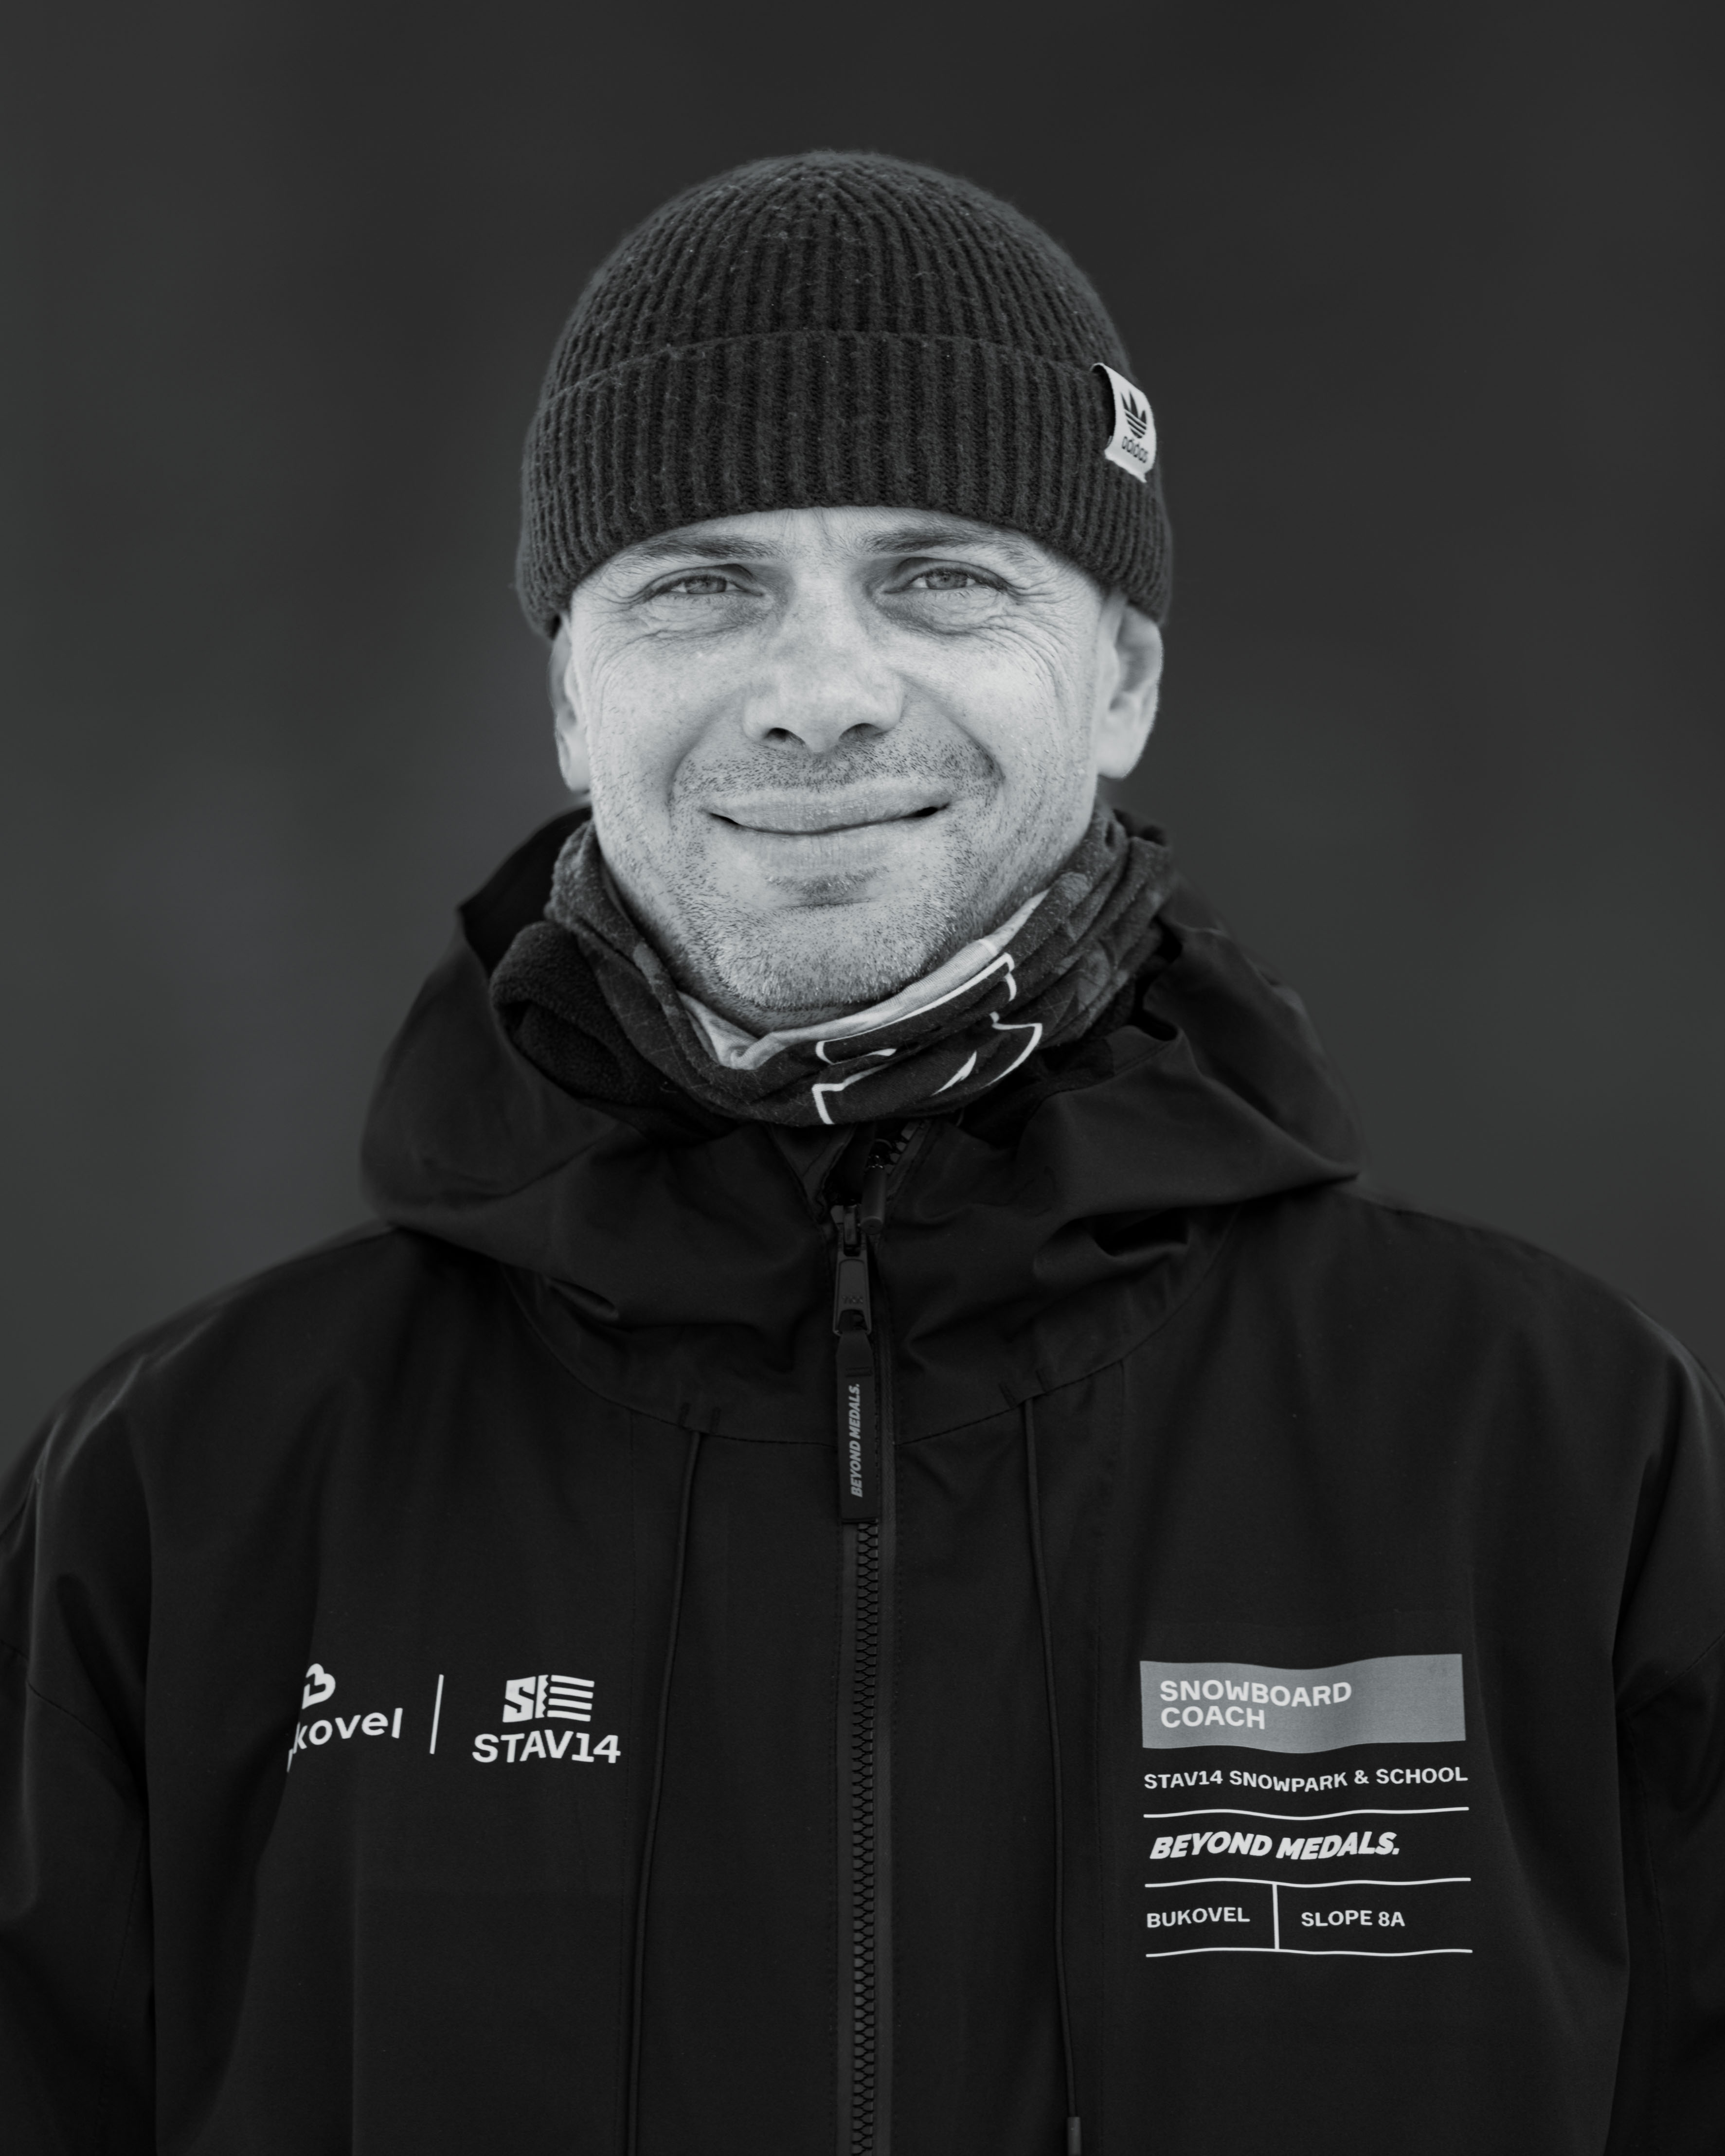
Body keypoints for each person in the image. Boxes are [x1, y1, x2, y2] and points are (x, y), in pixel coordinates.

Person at [1, 150, 1721, 2156]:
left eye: (940, 575)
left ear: (1122, 679)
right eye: (699, 582)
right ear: (570, 697)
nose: (818, 694)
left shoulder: (1553, 1457)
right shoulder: (186, 1495)